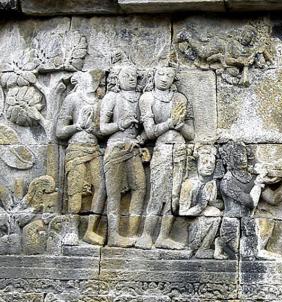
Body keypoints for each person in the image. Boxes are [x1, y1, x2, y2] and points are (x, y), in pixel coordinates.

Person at [135, 67, 195, 250]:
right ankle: (145, 235)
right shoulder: (147, 98)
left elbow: (190, 134)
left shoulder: (180, 99)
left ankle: (163, 237)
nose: (164, 78)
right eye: (160, 74)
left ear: (174, 79)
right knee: (157, 194)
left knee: (173, 196)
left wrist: (180, 124)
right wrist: (170, 123)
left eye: (169, 75)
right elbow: (150, 132)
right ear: (153, 76)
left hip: (179, 148)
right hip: (161, 149)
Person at [56, 71, 106, 245]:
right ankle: (71, 230)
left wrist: (94, 129)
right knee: (75, 189)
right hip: (76, 147)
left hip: (93, 148)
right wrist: (77, 126)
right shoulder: (73, 100)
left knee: (102, 188)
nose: (101, 85)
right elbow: (59, 131)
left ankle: (91, 230)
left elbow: (102, 132)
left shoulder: (100, 103)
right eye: (99, 82)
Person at [99, 65, 146, 248]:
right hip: (116, 147)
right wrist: (121, 124)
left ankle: (133, 232)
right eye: (126, 75)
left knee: (140, 188)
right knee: (114, 193)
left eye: (134, 75)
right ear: (117, 79)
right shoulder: (113, 97)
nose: (131, 78)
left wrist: (141, 139)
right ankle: (114, 236)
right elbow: (103, 128)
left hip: (133, 148)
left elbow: (147, 128)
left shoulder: (141, 98)